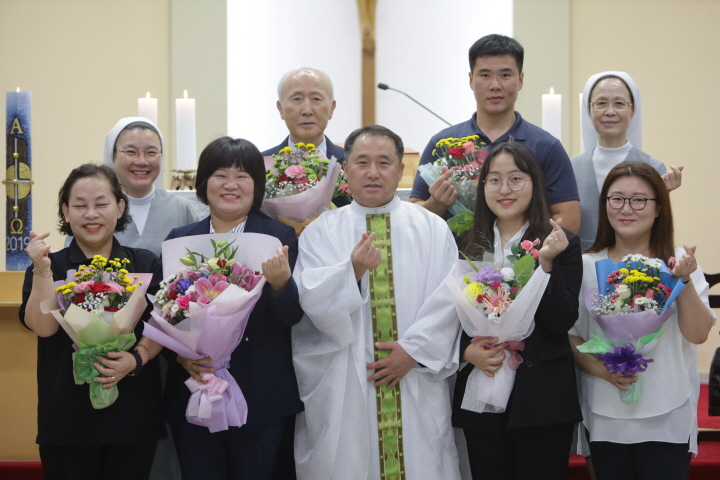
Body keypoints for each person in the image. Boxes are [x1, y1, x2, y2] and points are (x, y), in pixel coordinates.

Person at [293, 125, 462, 480]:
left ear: (401, 170)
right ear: (345, 170)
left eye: (384, 162)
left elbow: (451, 299)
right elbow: (308, 301)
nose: (373, 172)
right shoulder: (321, 231)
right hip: (346, 380)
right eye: (362, 162)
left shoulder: (432, 228)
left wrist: (414, 351)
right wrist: (351, 271)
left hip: (414, 376)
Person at [163, 137, 304, 480]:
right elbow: (164, 313)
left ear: (256, 186)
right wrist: (180, 357)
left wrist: (281, 285)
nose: (231, 184)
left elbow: (292, 318)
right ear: (203, 183)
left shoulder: (279, 238)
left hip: (261, 393)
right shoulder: (180, 239)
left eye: (242, 176)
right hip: (196, 388)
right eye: (220, 175)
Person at [569, 162, 715, 480]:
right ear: (605, 204)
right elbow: (572, 336)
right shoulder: (585, 265)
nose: (626, 209)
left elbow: (698, 334)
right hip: (604, 409)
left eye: (639, 200)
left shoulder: (679, 262)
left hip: (668, 410)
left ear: (659, 207)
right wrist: (601, 370)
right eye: (617, 198)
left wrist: (683, 281)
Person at [20, 164, 166, 480]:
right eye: (79, 205)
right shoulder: (50, 265)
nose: (91, 214)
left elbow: (162, 324)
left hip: (133, 416)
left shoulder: (144, 263)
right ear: (65, 211)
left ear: (120, 207)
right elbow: (43, 328)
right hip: (67, 419)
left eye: (101, 204)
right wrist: (42, 270)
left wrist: (136, 359)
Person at [452, 142, 582, 479]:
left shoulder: (560, 241)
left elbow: (561, 321)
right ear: (483, 187)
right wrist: (466, 351)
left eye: (516, 178)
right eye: (494, 180)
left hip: (541, 396)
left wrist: (547, 264)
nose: (504, 189)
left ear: (535, 183)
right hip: (482, 382)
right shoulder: (464, 242)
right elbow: (447, 316)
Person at [409, 34, 580, 233]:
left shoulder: (545, 146)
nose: (495, 85)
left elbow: (569, 219)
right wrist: (437, 204)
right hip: (456, 252)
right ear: (471, 80)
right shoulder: (443, 144)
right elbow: (413, 216)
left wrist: (519, 244)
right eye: (485, 75)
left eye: (505, 75)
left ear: (521, 80)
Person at [571, 72, 683, 252]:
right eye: (601, 103)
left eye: (619, 103)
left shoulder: (654, 168)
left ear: (632, 109)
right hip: (581, 265)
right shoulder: (571, 168)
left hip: (635, 266)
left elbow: (659, 231)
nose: (610, 111)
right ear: (589, 109)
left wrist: (662, 193)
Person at [66, 117, 200, 257]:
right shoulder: (92, 210)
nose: (141, 161)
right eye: (131, 152)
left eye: (151, 153)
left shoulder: (182, 209)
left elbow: (202, 261)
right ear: (113, 156)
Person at [262, 67, 345, 164]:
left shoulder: (351, 163)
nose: (307, 111)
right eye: (297, 99)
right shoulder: (259, 164)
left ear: (331, 108)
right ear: (280, 109)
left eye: (316, 99)